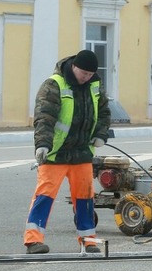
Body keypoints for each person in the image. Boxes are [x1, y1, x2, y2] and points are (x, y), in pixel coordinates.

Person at [24, 49, 111, 254]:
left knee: (85, 198)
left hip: (82, 152)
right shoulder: (54, 84)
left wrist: (100, 134)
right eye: (83, 74)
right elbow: (44, 117)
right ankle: (33, 240)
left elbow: (104, 112)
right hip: (56, 153)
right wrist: (43, 145)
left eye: (90, 75)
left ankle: (88, 240)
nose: (86, 78)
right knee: (44, 196)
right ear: (74, 67)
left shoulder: (95, 85)